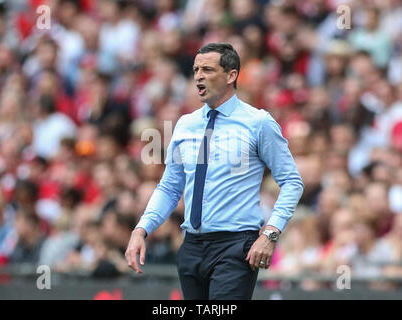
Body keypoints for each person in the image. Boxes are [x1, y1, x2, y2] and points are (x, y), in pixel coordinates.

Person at [126, 42, 304, 300]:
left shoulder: (258, 122)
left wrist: (270, 233)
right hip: (191, 246)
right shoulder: (185, 124)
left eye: (208, 69)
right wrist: (141, 230)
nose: (198, 75)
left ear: (231, 76)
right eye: (196, 69)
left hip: (235, 247)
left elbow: (292, 182)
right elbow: (169, 187)